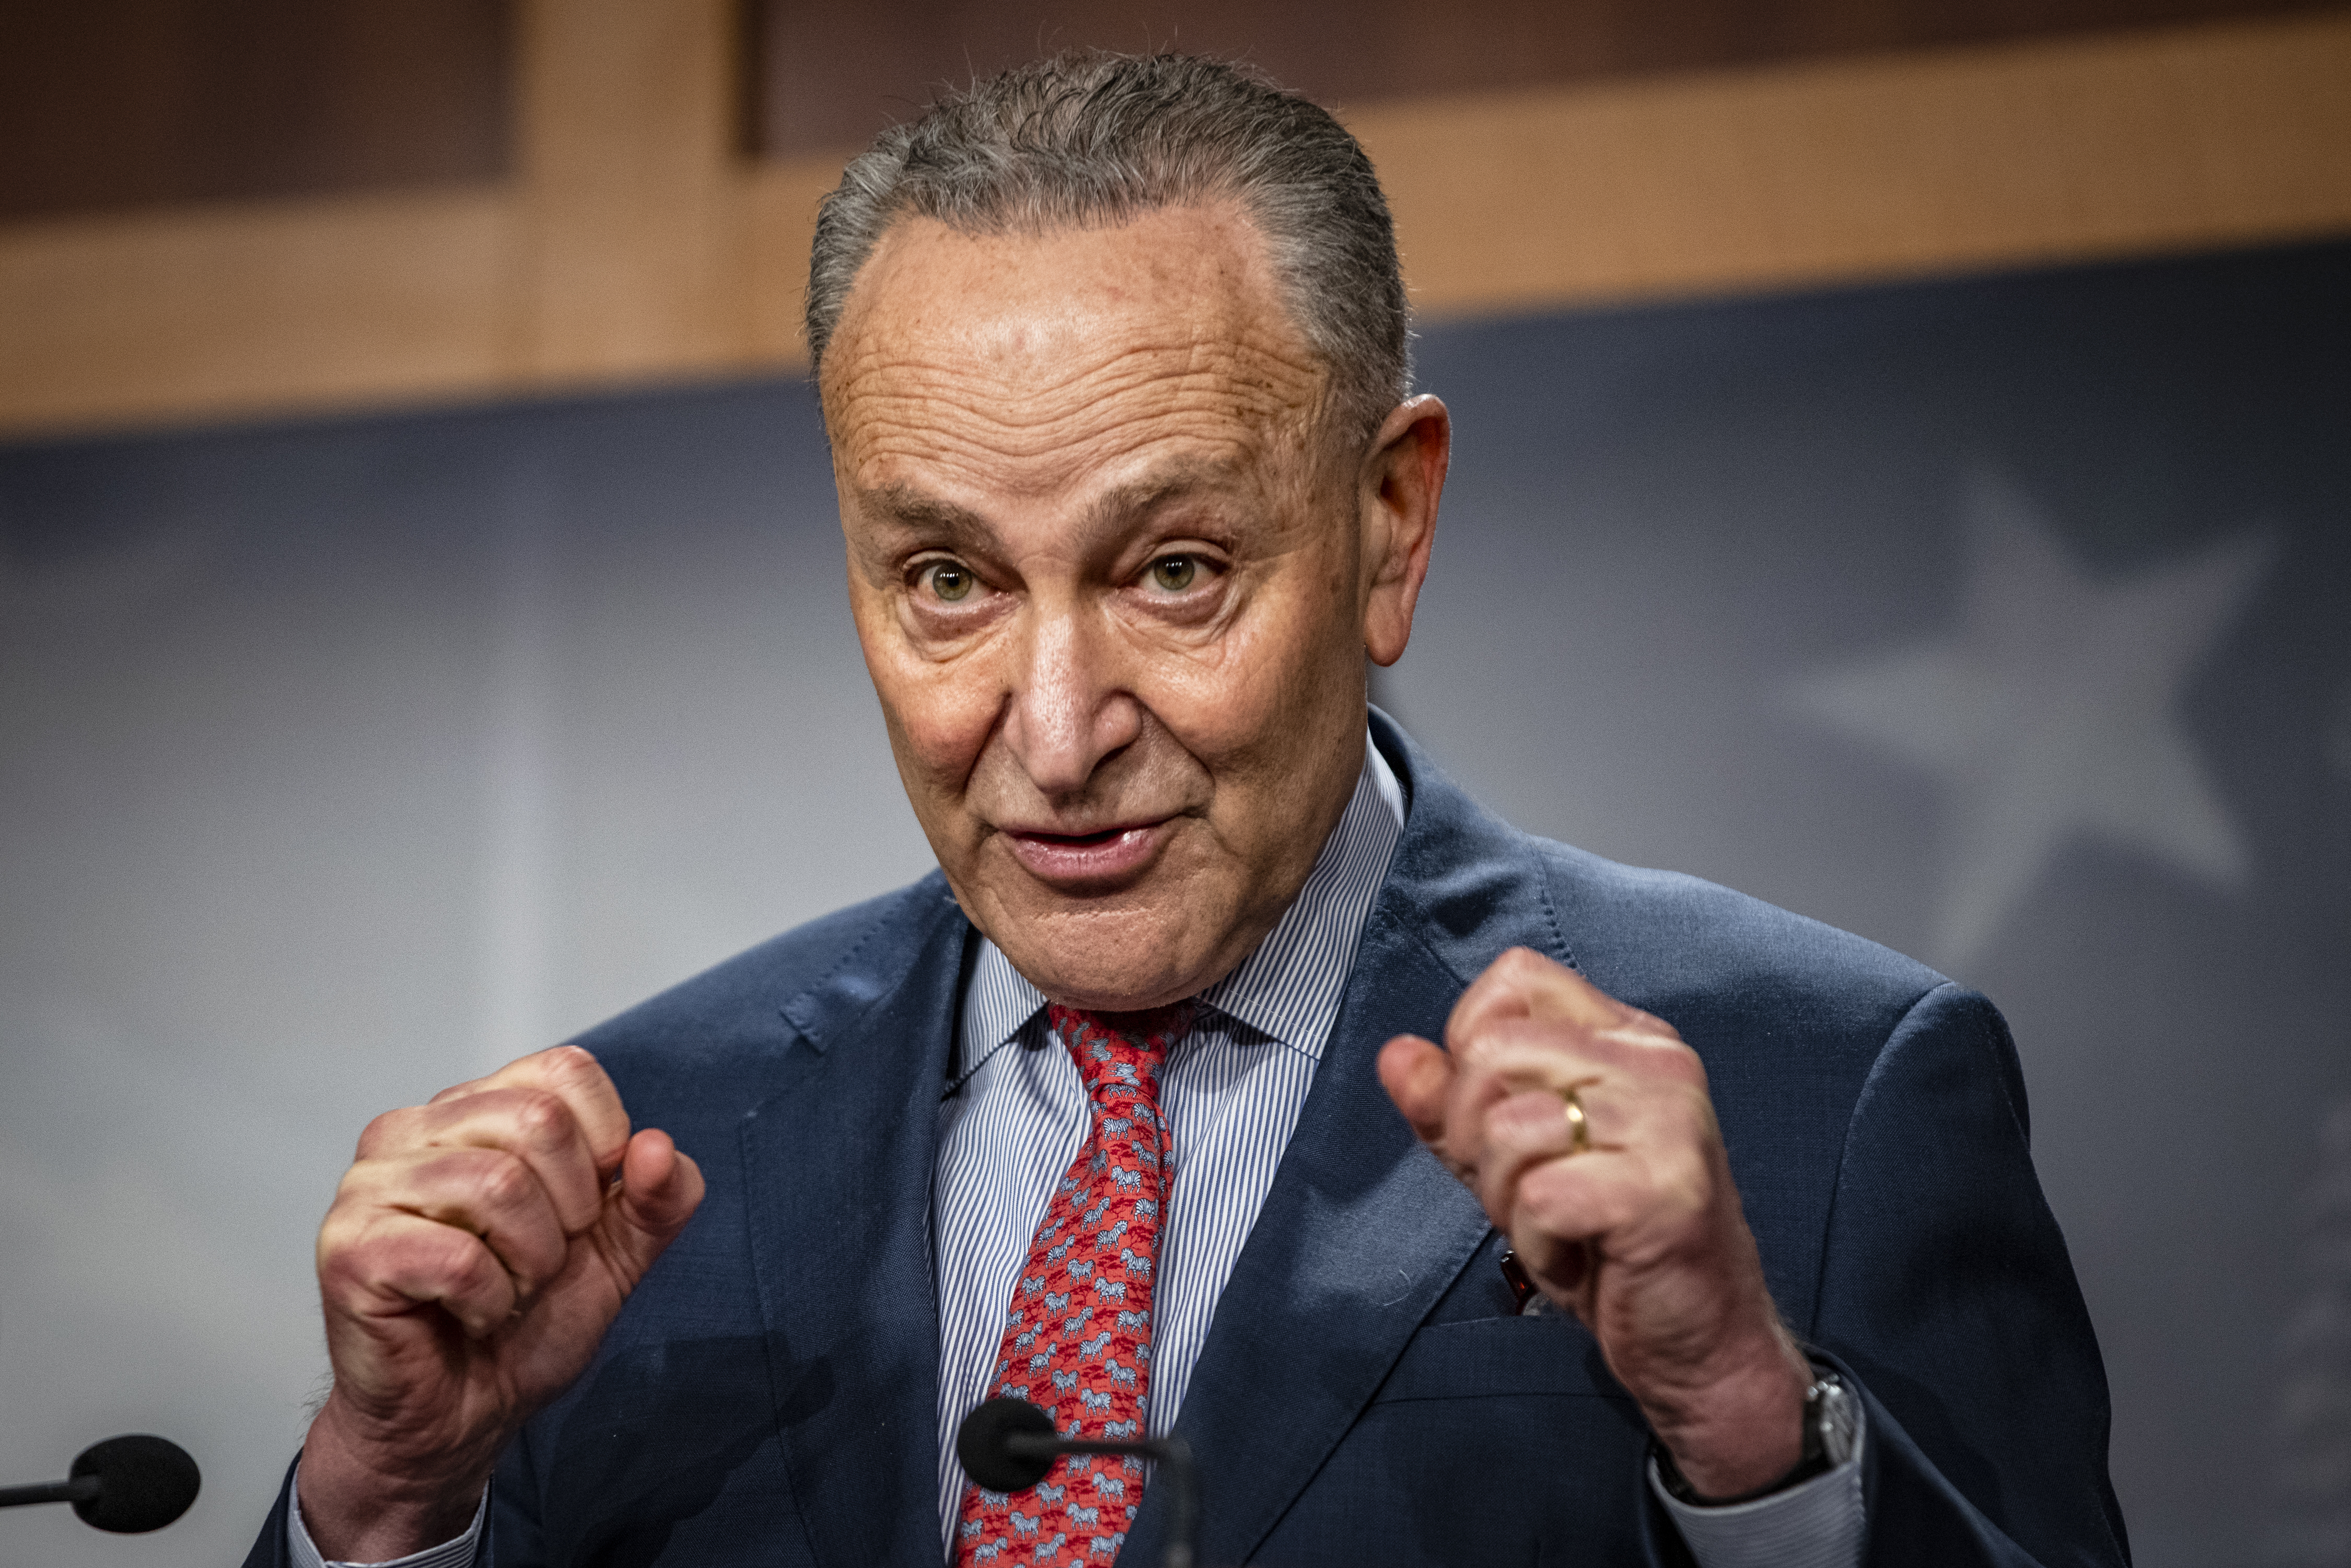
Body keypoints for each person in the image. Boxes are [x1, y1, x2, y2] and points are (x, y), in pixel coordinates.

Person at [244, 51, 2127, 1568]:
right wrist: (389, 1507)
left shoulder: (1823, 1095)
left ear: (1389, 523)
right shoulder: (633, 1161)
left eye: (1172, 570)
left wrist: (1740, 1427)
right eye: (947, 582)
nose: (1053, 738)